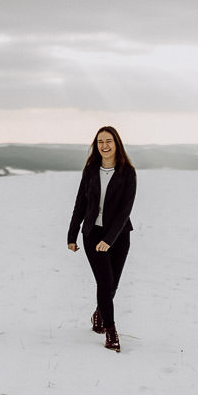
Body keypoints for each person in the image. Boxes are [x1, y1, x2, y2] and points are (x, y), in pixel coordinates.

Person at [67, 126, 137, 352]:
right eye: (100, 142)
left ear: (117, 144)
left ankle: (99, 312)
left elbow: (125, 210)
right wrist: (72, 234)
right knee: (105, 283)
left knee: (112, 285)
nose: (104, 146)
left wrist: (109, 239)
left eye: (108, 141)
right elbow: (80, 203)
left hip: (119, 235)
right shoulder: (90, 170)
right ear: (96, 146)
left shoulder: (128, 173)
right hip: (92, 234)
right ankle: (111, 331)